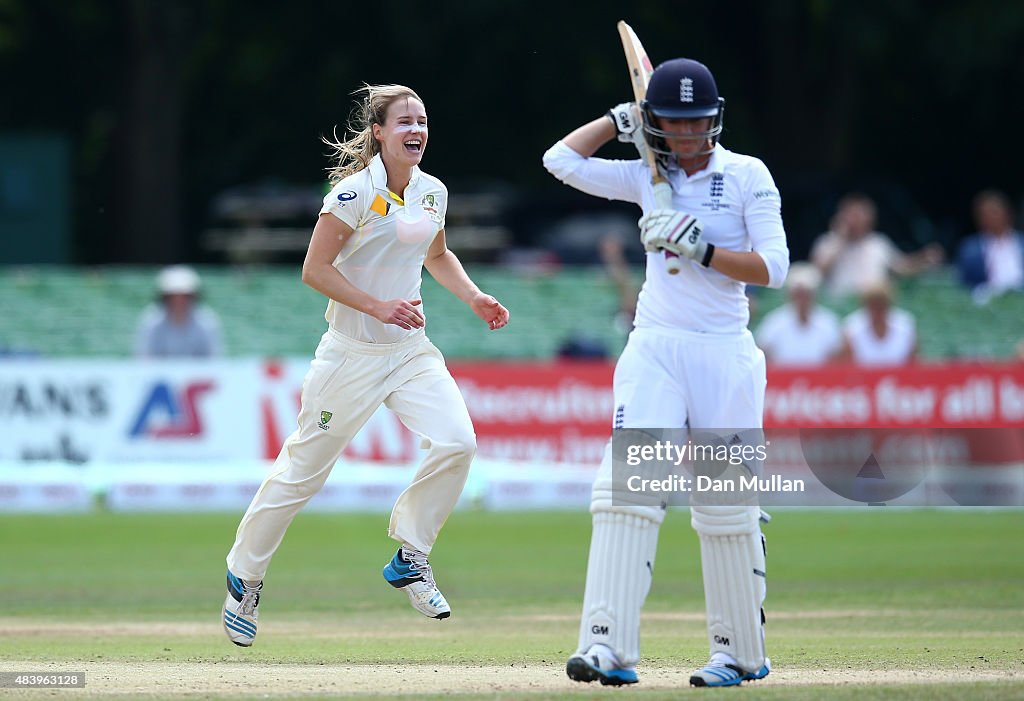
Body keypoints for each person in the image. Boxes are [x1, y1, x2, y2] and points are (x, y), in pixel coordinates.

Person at [222, 84, 509, 647]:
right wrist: (378, 306)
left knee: (458, 442)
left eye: (422, 120)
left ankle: (411, 556)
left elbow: (437, 255)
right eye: (404, 121)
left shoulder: (432, 193)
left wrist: (473, 296)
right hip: (349, 355)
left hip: (408, 351)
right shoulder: (352, 195)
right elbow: (314, 269)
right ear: (379, 132)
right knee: (302, 474)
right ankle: (244, 576)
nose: (416, 130)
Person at [543, 57, 788, 687]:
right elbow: (559, 162)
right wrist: (611, 121)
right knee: (627, 489)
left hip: (723, 350)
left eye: (697, 123)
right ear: (653, 122)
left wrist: (699, 246)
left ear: (715, 119)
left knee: (725, 505)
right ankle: (606, 647)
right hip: (654, 345)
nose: (686, 136)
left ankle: (738, 654)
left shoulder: (746, 175)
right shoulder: (645, 177)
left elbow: (776, 267)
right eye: (671, 124)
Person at [810, 193, 943, 297]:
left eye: (860, 214)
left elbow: (901, 267)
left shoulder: (879, 243)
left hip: (872, 308)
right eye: (851, 214)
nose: (855, 219)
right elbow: (816, 273)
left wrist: (923, 257)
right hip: (839, 308)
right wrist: (839, 237)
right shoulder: (828, 241)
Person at [755, 262, 842, 366]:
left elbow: (837, 358)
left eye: (806, 294)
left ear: (814, 294)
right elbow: (763, 353)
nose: (802, 299)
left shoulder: (828, 322)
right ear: (790, 295)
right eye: (798, 294)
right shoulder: (774, 322)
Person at [134, 265, 224, 358]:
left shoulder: (206, 322)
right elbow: (145, 359)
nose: (179, 301)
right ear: (164, 297)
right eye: (173, 296)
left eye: (184, 296)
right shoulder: (152, 321)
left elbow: (213, 360)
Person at [957, 189, 1024, 304]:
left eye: (994, 212)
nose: (990, 218)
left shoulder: (1021, 242)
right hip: (987, 303)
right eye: (984, 214)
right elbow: (964, 284)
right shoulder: (970, 248)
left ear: (1007, 213)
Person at [839, 280, 916, 366]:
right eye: (872, 307)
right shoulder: (851, 328)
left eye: (881, 307)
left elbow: (913, 364)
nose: (876, 312)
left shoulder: (905, 325)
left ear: (888, 305)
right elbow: (847, 366)